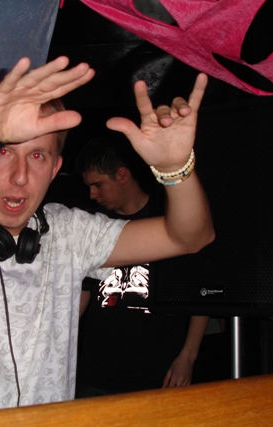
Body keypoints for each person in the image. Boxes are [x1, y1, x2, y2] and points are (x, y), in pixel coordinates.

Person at [0, 56, 214, 418]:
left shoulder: (69, 234)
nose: (20, 175)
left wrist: (176, 170)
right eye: (2, 151)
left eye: (37, 156)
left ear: (55, 168)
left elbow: (190, 237)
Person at [74, 132, 209, 397]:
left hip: (158, 374)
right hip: (96, 376)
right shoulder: (94, 227)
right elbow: (82, 294)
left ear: (122, 176)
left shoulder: (170, 221)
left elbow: (201, 295)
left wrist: (188, 357)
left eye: (98, 184)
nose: (92, 194)